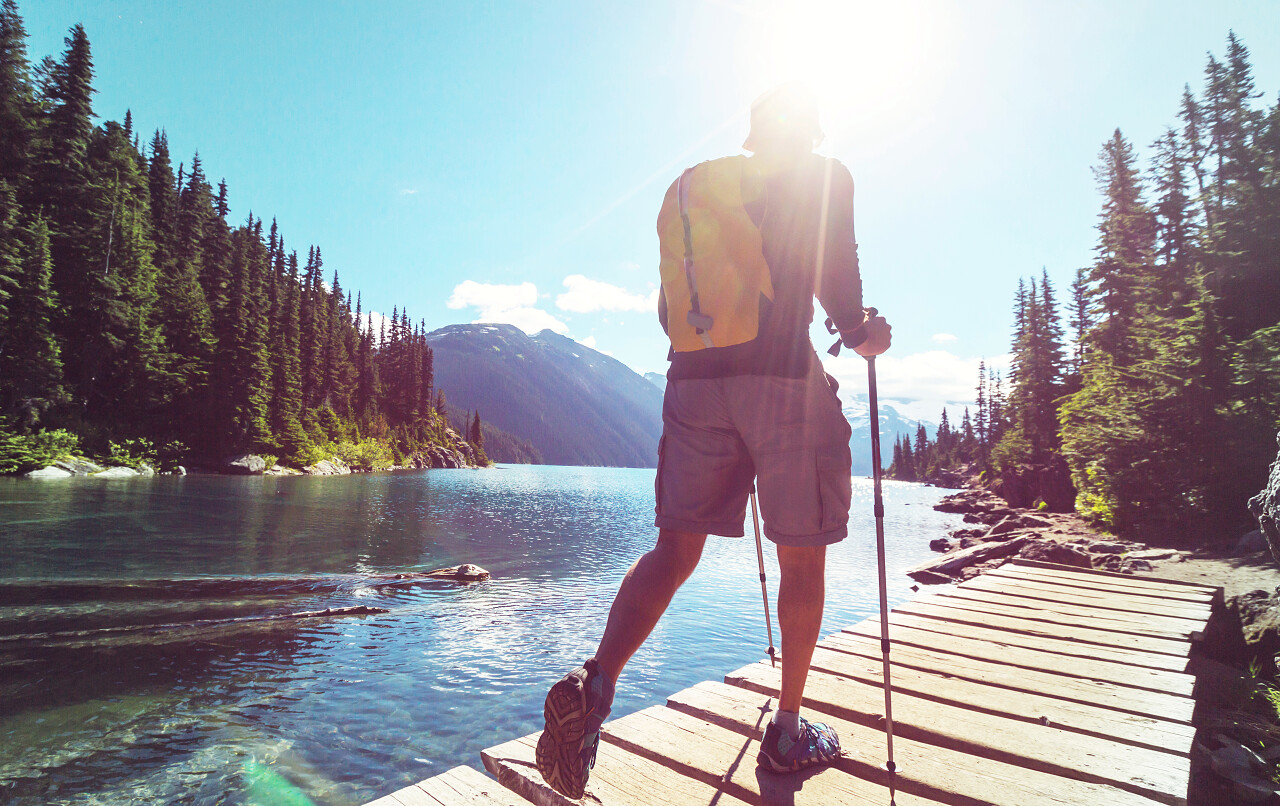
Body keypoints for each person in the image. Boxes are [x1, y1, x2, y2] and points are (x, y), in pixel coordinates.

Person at [535, 84, 892, 799]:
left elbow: (672, 307)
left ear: (755, 136)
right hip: (782, 381)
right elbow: (839, 280)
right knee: (802, 558)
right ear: (813, 131)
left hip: (695, 383)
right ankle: (789, 731)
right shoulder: (824, 177)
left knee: (675, 549)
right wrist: (862, 333)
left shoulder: (701, 193)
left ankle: (596, 680)